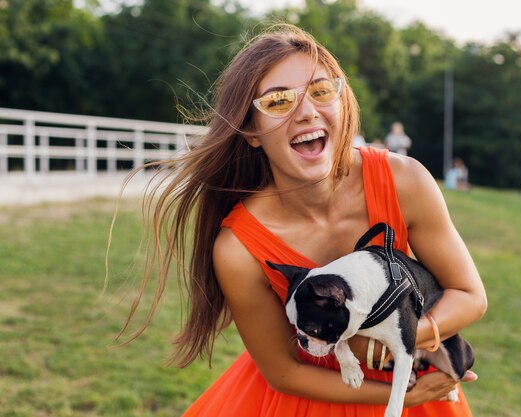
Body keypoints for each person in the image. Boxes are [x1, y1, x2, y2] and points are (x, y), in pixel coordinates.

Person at [118, 24, 487, 417]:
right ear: (251, 132)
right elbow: (284, 372)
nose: (307, 110)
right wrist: (401, 396)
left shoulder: (405, 181)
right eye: (278, 101)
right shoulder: (238, 249)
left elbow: (468, 295)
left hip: (411, 379)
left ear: (342, 102)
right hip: (311, 401)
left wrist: (396, 339)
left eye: (321, 90)